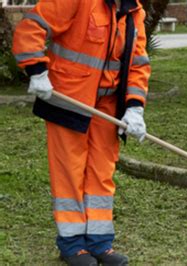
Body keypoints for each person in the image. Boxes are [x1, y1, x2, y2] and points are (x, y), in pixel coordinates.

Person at [12, 0, 151, 265]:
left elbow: (137, 64)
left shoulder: (135, 12)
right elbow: (31, 28)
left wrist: (134, 108)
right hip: (68, 98)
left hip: (107, 107)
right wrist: (36, 70)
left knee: (102, 172)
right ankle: (72, 244)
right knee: (69, 172)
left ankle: (100, 243)